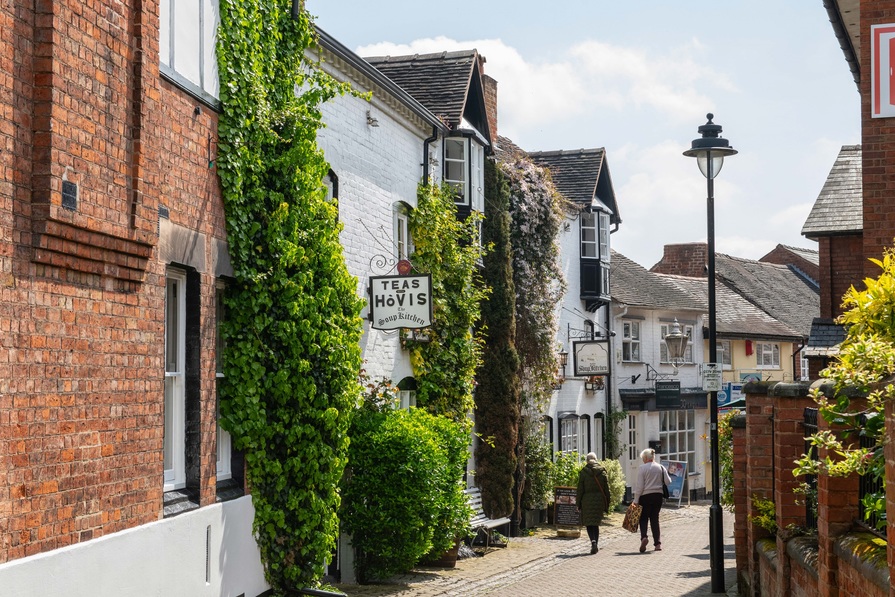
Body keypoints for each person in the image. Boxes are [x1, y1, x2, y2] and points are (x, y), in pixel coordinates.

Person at [633, 448, 672, 553]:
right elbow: (668, 481)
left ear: (646, 458)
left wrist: (636, 500)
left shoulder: (642, 468)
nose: (643, 460)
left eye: (643, 458)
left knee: (643, 518)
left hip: (645, 496)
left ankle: (644, 537)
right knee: (655, 519)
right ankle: (658, 544)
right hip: (658, 496)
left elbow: (640, 486)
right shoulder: (661, 467)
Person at [576, 452, 611, 554]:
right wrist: (607, 503)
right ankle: (596, 543)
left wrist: (578, 504)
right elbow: (606, 489)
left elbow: (580, 490)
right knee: (596, 523)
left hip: (586, 500)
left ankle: (593, 542)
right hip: (599, 500)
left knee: (589, 523)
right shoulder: (602, 472)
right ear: (596, 460)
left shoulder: (583, 473)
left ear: (587, 461)